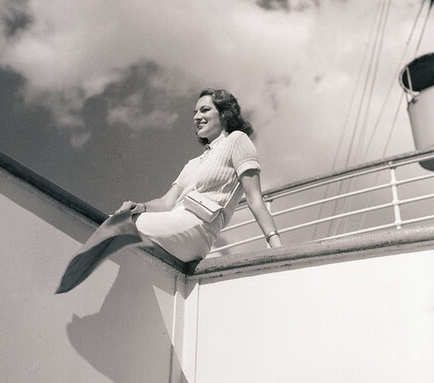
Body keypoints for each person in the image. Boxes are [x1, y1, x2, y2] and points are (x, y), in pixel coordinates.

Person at [55, 88, 282, 294]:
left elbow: (254, 199)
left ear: (224, 113)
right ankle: (78, 286)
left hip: (200, 229)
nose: (196, 117)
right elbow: (166, 202)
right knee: (123, 221)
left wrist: (276, 245)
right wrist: (140, 206)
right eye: (194, 112)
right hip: (174, 219)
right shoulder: (192, 163)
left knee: (128, 227)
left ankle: (67, 280)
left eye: (204, 109)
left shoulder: (237, 140)